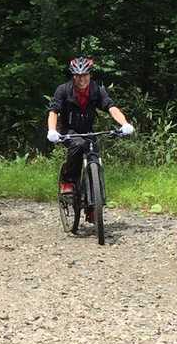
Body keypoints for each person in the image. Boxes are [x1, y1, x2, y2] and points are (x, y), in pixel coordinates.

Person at [46, 56, 134, 221]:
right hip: (69, 131)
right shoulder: (63, 90)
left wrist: (124, 123)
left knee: (94, 159)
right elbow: (53, 111)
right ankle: (68, 181)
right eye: (78, 76)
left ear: (90, 75)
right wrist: (52, 130)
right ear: (73, 76)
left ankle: (94, 206)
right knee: (78, 145)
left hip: (88, 131)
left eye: (85, 75)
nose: (82, 79)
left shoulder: (96, 90)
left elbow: (111, 107)